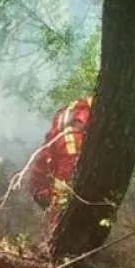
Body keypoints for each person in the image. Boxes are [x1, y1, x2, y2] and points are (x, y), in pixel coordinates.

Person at [27, 96, 93, 224]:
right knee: (63, 219)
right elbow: (64, 182)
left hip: (47, 178)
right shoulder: (74, 134)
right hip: (44, 185)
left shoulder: (82, 111)